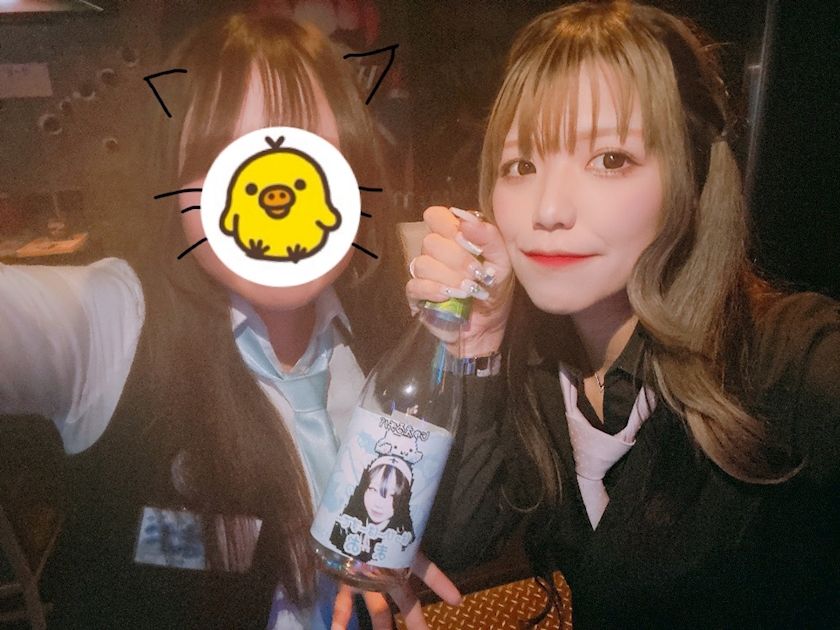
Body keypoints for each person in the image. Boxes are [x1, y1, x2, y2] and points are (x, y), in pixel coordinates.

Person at [0, 12, 457, 630]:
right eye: (223, 158)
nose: (272, 194)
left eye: (310, 154)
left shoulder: (389, 310)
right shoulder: (114, 322)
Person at [406, 2, 840, 628]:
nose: (547, 210)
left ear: (690, 176)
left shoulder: (780, 359)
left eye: (610, 159)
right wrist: (472, 344)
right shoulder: (534, 363)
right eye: (521, 166)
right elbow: (455, 543)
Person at [331, 458, 416, 562]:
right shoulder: (343, 527)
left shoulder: (402, 542)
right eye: (373, 489)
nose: (379, 504)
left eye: (392, 495)